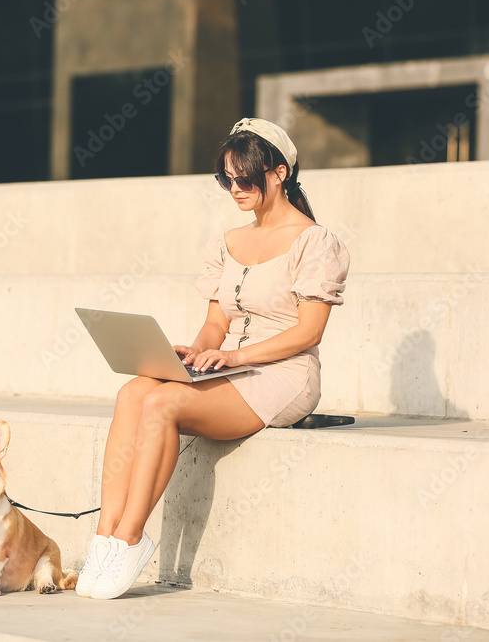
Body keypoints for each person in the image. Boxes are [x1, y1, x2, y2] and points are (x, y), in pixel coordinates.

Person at [76, 118, 350, 600]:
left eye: (245, 178)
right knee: (133, 391)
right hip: (230, 362)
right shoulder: (227, 241)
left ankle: (131, 538)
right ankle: (104, 536)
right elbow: (215, 325)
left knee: (162, 405)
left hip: (283, 376)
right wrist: (199, 351)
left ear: (279, 172)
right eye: (227, 179)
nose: (235, 189)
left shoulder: (315, 241)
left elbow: (309, 331)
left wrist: (233, 355)